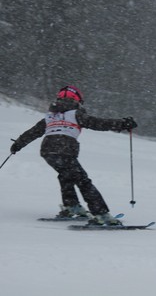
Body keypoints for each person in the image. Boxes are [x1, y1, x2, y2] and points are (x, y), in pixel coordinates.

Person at [10, 85, 137, 225]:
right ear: (77, 100)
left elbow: (32, 132)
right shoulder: (75, 114)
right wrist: (122, 124)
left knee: (66, 176)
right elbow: (98, 123)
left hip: (48, 152)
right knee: (83, 181)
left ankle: (71, 206)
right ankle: (101, 214)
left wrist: (17, 145)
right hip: (65, 151)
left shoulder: (50, 116)